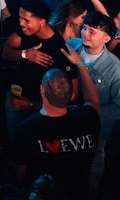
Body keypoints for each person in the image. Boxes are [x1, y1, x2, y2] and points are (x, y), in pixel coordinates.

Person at [9, 47, 101, 200]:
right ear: (72, 94)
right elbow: (93, 101)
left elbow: (17, 176)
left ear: (42, 90)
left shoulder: (26, 130)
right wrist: (80, 64)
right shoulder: (87, 120)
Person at [66, 12, 120, 197]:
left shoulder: (116, 71)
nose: (85, 33)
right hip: (69, 122)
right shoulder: (73, 46)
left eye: (92, 31)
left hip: (96, 130)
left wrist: (91, 113)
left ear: (106, 38)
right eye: (84, 28)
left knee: (93, 163)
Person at [1, 0, 75, 140]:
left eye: (26, 20)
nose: (21, 23)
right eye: (20, 18)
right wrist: (25, 54)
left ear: (42, 21)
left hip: (42, 111)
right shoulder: (24, 32)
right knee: (14, 142)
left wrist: (31, 105)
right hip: (15, 100)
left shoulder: (59, 48)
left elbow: (71, 97)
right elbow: (6, 52)